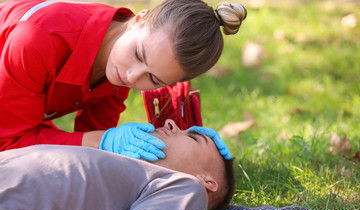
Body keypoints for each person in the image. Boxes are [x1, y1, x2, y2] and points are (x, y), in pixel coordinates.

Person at [0, 0, 247, 161]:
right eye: (139, 54)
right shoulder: (36, 39)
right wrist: (105, 140)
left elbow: (91, 154)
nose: (131, 77)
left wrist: (193, 150)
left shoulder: (120, 66)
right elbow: (8, 146)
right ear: (138, 20)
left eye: (153, 79)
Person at [0, 119, 235, 210]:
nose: (171, 124)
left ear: (206, 181)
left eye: (193, 138)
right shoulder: (118, 173)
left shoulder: (186, 187)